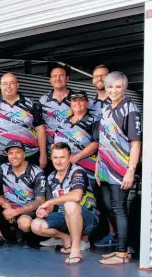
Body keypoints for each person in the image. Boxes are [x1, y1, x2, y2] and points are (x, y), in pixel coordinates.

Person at [95, 71, 142, 265]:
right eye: (110, 86)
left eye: (118, 87)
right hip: (105, 167)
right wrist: (98, 166)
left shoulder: (130, 109)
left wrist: (131, 171)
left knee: (119, 208)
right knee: (109, 207)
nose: (113, 90)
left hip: (121, 167)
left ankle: (122, 253)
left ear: (125, 88)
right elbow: (102, 141)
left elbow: (136, 143)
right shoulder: (106, 109)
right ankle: (121, 247)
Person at [31, 142, 99, 264]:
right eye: (55, 158)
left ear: (69, 158)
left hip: (88, 219)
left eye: (62, 157)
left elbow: (77, 195)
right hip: (64, 217)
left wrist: (50, 201)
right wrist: (45, 210)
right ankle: (65, 238)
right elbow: (52, 206)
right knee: (35, 225)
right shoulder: (51, 177)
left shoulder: (77, 171)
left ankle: (75, 249)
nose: (58, 161)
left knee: (70, 204)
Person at [0, 140, 46, 250]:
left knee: (24, 223)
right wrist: (5, 203)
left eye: (17, 152)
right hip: (8, 210)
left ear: (24, 155)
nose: (14, 156)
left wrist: (16, 211)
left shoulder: (37, 172)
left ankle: (28, 238)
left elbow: (40, 201)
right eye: (11, 153)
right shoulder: (3, 168)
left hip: (27, 211)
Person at [52, 91, 99, 251]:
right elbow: (55, 142)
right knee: (64, 201)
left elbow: (95, 144)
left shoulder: (93, 120)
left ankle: (84, 240)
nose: (77, 103)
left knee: (85, 202)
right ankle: (64, 237)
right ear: (70, 104)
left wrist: (76, 157)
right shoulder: (64, 121)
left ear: (86, 103)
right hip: (65, 170)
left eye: (81, 100)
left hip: (87, 170)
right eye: (74, 101)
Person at [37, 65, 74, 247]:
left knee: (71, 192)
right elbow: (39, 128)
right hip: (51, 154)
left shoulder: (76, 99)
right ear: (50, 80)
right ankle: (56, 233)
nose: (58, 78)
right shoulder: (43, 100)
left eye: (61, 75)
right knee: (51, 191)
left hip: (71, 155)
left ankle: (77, 233)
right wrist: (44, 154)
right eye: (54, 76)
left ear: (68, 78)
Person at [89, 64, 117, 248]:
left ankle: (120, 238)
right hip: (92, 160)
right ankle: (109, 234)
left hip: (114, 158)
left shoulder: (117, 101)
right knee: (100, 200)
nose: (99, 79)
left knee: (114, 202)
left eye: (103, 76)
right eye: (96, 76)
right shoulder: (88, 103)